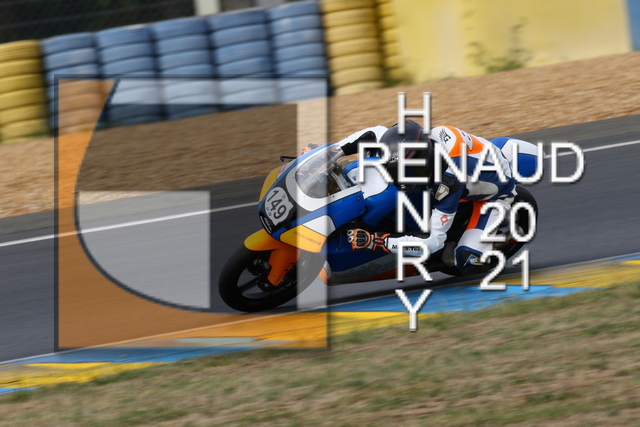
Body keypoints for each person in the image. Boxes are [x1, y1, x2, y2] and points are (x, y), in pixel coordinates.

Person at [345, 119, 522, 275]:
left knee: (468, 261)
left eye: (407, 170)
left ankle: (500, 241)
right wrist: (335, 151)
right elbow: (375, 132)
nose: (399, 177)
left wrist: (376, 241)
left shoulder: (448, 182)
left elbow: (433, 242)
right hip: (473, 164)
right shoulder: (412, 139)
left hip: (494, 196)